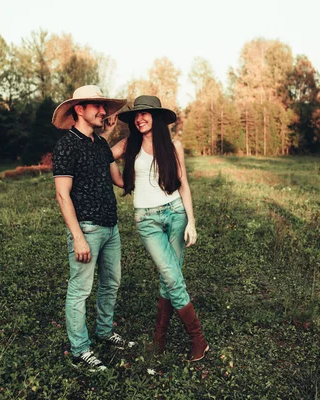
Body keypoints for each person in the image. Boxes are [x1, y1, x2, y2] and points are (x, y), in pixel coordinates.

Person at [113, 95, 208, 362]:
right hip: (146, 220)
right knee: (171, 275)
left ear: (156, 117)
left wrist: (191, 221)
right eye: (136, 116)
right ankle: (198, 339)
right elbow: (101, 157)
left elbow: (183, 184)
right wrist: (108, 140)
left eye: (145, 114)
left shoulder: (173, 145)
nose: (139, 118)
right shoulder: (129, 144)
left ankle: (159, 338)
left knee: (169, 278)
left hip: (176, 213)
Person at [51, 85, 135, 372]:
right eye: (97, 107)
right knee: (80, 290)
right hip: (86, 229)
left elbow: (119, 181)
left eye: (105, 108)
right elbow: (63, 195)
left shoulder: (98, 144)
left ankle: (103, 331)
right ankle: (79, 350)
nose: (104, 112)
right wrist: (78, 238)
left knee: (111, 283)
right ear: (79, 109)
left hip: (111, 227)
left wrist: (134, 144)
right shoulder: (66, 145)